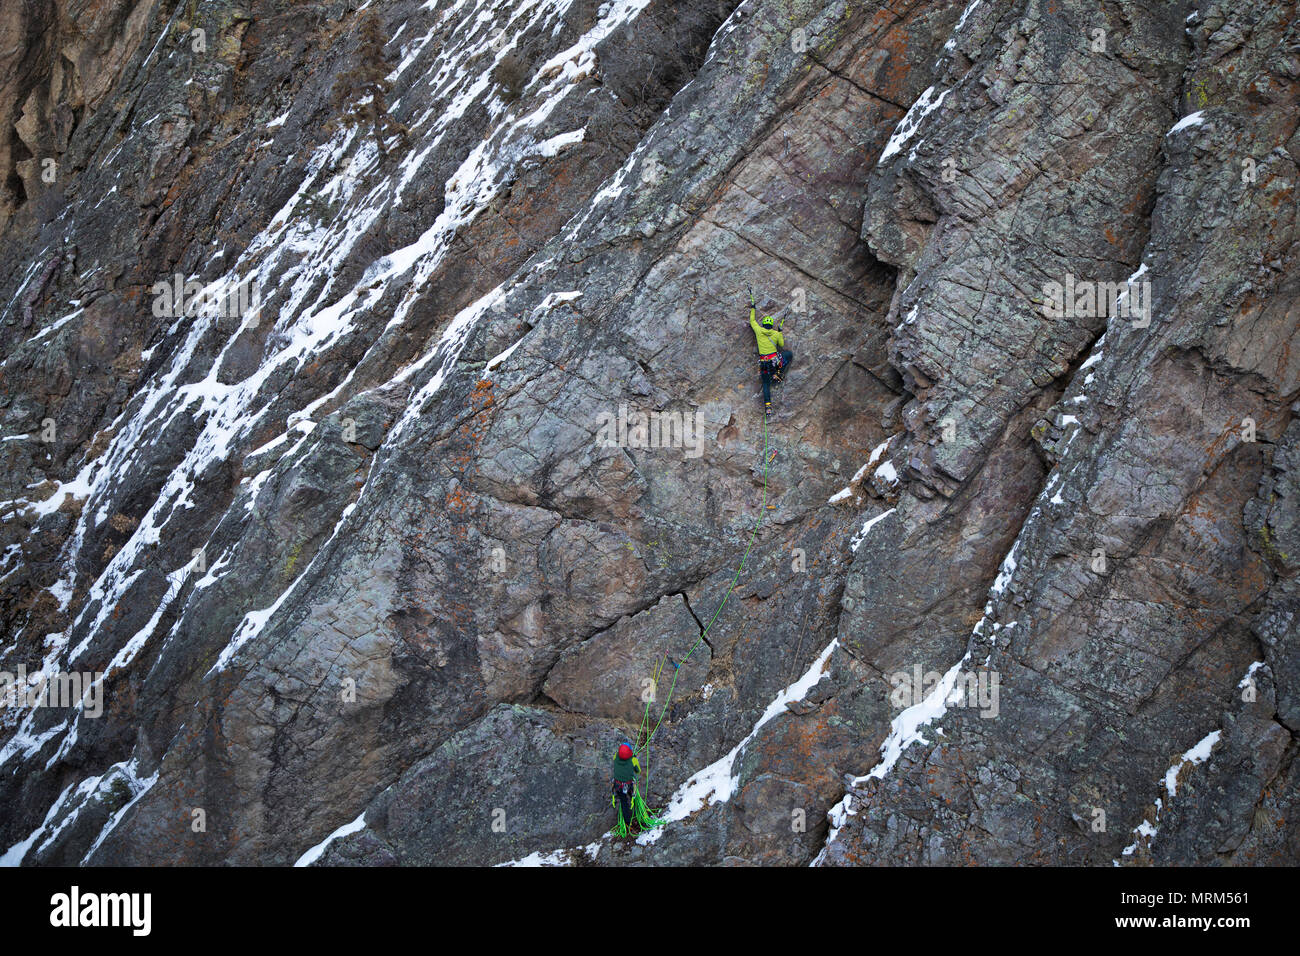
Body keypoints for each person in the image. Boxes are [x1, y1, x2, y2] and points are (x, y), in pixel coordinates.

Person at [747, 304, 794, 414]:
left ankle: (768, 407)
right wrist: (780, 332)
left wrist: (753, 308)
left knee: (766, 383)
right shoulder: (776, 334)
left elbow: (752, 320)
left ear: (763, 324)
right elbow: (781, 344)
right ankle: (777, 374)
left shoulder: (758, 331)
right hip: (775, 362)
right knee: (788, 354)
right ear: (771, 326)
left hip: (764, 363)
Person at [611, 741, 641, 833]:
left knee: (623, 802)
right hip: (628, 785)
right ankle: (637, 815)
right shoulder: (633, 760)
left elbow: (617, 757)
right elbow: (638, 771)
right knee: (633, 797)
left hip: (617, 785)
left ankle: (628, 822)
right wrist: (634, 758)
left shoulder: (616, 756)